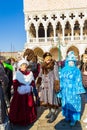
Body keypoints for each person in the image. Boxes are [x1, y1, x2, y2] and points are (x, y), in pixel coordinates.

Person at [57, 51, 86, 126]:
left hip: (73, 90)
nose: (71, 63)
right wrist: (60, 88)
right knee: (66, 103)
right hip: (65, 90)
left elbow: (79, 80)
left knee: (74, 104)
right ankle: (68, 117)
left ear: (74, 62)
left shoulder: (76, 70)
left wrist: (78, 90)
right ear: (67, 62)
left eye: (72, 61)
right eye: (69, 61)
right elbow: (61, 79)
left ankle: (73, 119)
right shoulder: (63, 70)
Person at [8, 58, 37, 126]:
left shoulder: (30, 73)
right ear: (20, 66)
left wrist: (30, 87)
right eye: (23, 65)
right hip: (19, 95)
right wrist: (20, 89)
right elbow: (15, 83)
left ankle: (29, 119)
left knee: (29, 106)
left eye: (25, 65)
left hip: (28, 94)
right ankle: (19, 120)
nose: (24, 67)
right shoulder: (17, 74)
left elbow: (32, 82)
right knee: (19, 107)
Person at [36, 52, 60, 123]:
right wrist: (38, 82)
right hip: (44, 86)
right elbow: (40, 74)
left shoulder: (54, 65)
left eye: (49, 59)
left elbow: (56, 76)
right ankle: (50, 112)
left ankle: (53, 114)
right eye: (46, 59)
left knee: (52, 99)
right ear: (44, 59)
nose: (48, 60)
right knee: (46, 100)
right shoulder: (42, 65)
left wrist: (57, 85)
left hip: (51, 85)